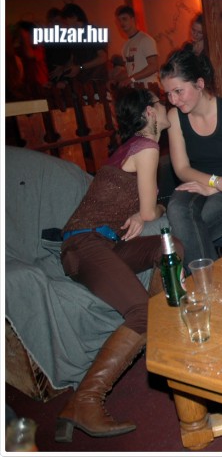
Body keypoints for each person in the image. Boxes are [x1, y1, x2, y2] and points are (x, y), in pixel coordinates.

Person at [56, 88, 181, 442]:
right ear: (149, 113)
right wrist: (153, 210)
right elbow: (149, 211)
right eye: (160, 103)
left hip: (104, 244)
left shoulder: (132, 147)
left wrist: (142, 213)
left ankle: (161, 336)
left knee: (170, 247)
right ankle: (85, 401)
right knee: (142, 312)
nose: (166, 106)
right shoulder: (147, 147)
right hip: (83, 245)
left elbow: (138, 210)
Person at [160, 49, 222, 269]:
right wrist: (214, 182)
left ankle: (202, 282)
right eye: (168, 94)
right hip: (199, 182)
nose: (173, 100)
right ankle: (211, 280)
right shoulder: (174, 117)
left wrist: (216, 186)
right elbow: (182, 168)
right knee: (176, 210)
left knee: (194, 224)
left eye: (178, 91)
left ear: (199, 84)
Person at [48, 4, 107, 87]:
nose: (64, 23)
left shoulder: (92, 31)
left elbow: (103, 57)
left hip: (96, 80)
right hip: (83, 81)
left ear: (74, 17)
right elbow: (74, 58)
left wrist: (80, 67)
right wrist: (63, 68)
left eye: (66, 19)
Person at [115, 5, 159, 87]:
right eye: (119, 20)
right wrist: (115, 80)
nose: (121, 23)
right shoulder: (125, 46)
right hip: (136, 90)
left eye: (124, 19)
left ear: (133, 19)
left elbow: (153, 66)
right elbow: (130, 71)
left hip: (149, 88)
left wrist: (131, 79)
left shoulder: (145, 39)